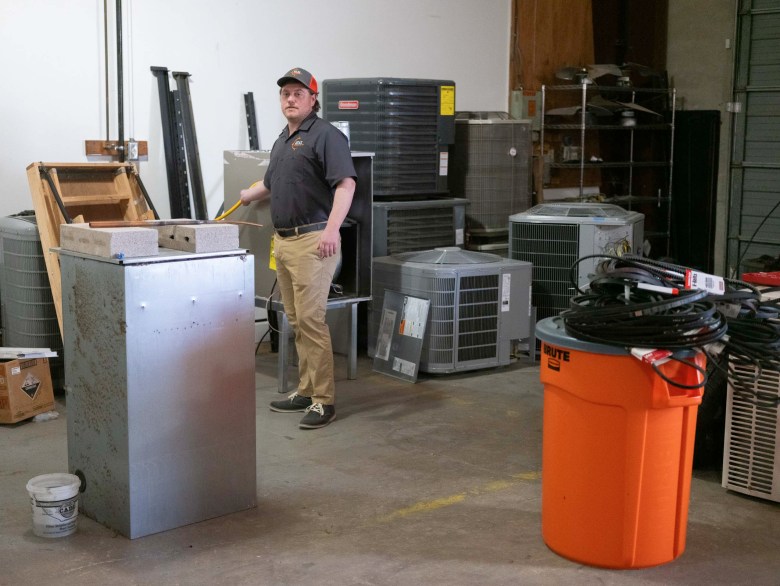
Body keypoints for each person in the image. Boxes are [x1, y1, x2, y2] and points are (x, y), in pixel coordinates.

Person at [240, 67, 356, 429]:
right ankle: (305, 390)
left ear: (313, 99)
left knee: (311, 320)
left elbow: (346, 184)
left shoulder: (326, 136)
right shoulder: (282, 141)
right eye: (285, 94)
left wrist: (332, 230)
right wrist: (249, 193)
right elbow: (273, 182)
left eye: (298, 93)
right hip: (285, 242)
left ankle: (324, 400)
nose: (290, 99)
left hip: (314, 240)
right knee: (296, 321)